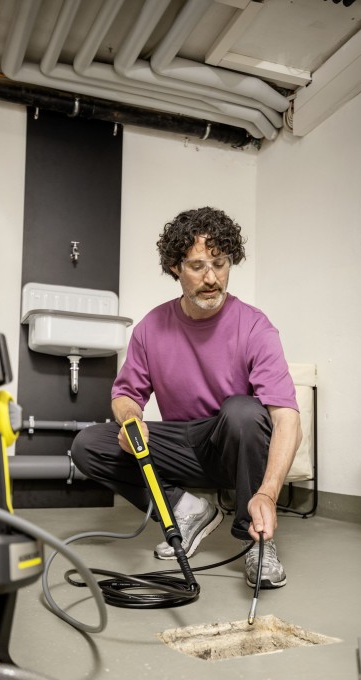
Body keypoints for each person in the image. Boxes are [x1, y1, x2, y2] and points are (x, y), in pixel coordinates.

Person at [71, 207, 301, 589]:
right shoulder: (151, 328)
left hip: (232, 449)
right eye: (197, 266)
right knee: (89, 444)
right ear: (175, 267)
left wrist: (267, 493)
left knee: (243, 411)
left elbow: (287, 418)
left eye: (220, 264)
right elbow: (126, 394)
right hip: (181, 444)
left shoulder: (255, 326)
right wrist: (130, 419)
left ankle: (257, 540)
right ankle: (188, 509)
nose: (211, 278)